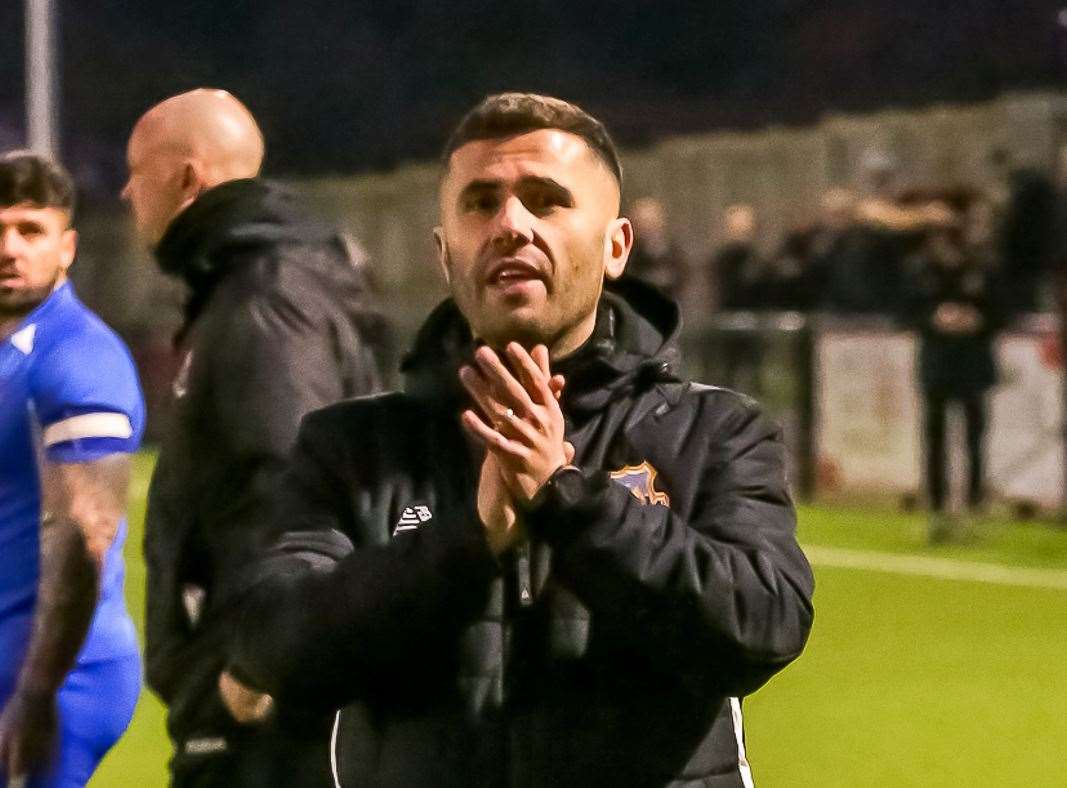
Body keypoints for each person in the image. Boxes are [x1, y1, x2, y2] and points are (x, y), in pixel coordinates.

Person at [229, 92, 814, 787]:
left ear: (616, 246)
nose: (510, 224)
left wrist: (569, 500)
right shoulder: (355, 445)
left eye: (545, 200)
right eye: (480, 202)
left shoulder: (715, 428)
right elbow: (273, 642)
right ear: (446, 254)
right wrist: (468, 540)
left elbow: (761, 630)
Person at [122, 89, 381, 786]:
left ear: (186, 179)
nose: (125, 192)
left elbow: (287, 491)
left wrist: (256, 664)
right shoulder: (244, 288)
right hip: (247, 688)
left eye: (136, 172)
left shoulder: (264, 301)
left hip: (259, 712)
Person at [0, 152, 143, 786]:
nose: (9, 249)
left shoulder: (79, 358)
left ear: (68, 246)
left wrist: (35, 698)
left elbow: (88, 537)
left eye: (30, 230)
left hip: (60, 678)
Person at [901, 213, 1005, 542]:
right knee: (935, 438)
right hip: (938, 363)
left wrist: (977, 320)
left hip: (972, 362)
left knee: (974, 437)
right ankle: (937, 507)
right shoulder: (922, 270)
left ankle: (975, 506)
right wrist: (934, 319)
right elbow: (904, 312)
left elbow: (1003, 311)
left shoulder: (985, 269)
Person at [625, 197, 687, 300]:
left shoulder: (671, 251)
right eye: (640, 221)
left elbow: (680, 275)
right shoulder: (628, 252)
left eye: (649, 221)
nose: (645, 227)